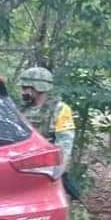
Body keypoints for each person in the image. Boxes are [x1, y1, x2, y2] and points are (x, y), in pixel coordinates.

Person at [18, 66, 79, 198]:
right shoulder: (22, 110)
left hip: (48, 169)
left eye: (26, 87)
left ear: (38, 88)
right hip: (25, 169)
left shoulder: (60, 109)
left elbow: (65, 143)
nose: (23, 91)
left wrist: (58, 171)